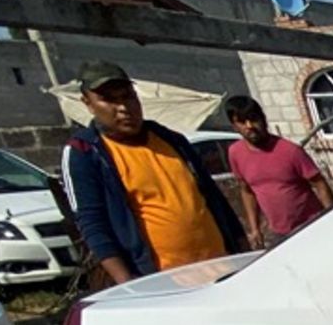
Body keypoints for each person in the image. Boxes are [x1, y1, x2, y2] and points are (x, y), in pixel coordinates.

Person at [62, 62, 247, 285]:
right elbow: (92, 223)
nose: (123, 107)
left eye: (128, 96)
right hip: (164, 283)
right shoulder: (85, 152)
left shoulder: (171, 139)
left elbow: (214, 198)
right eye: (109, 99)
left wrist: (243, 254)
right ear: (88, 104)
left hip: (223, 270)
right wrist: (128, 282)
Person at [224, 94, 333, 245]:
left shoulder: (290, 151)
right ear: (234, 126)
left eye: (254, 119)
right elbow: (247, 190)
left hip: (311, 226)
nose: (249, 125)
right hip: (279, 234)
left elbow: (320, 184)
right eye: (242, 122)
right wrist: (255, 229)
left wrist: (332, 218)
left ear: (263, 119)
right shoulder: (235, 152)